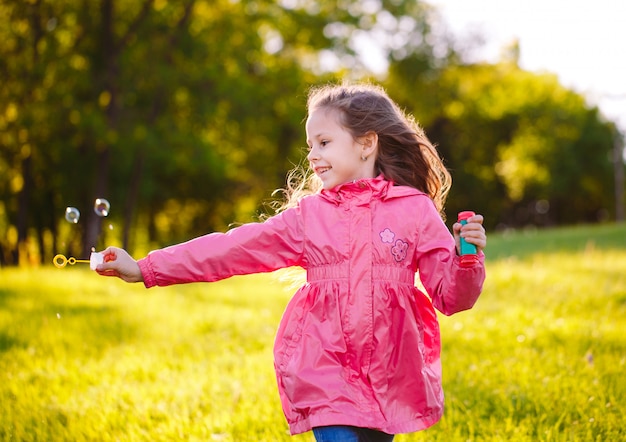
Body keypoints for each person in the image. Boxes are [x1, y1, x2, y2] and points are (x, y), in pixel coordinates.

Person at [96, 82, 487, 442]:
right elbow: (231, 249)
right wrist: (147, 268)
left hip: (388, 374)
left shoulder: (414, 211)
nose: (313, 156)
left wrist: (466, 261)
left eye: (324, 142)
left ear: (367, 144)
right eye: (310, 145)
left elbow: (452, 297)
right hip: (324, 369)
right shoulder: (308, 216)